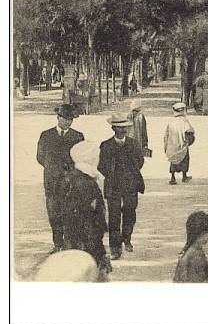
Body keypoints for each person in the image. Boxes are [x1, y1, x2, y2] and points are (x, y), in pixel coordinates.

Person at [37, 103, 85, 253]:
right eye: (65, 118)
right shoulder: (46, 135)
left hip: (70, 181)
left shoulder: (77, 136)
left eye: (70, 119)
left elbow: (81, 157)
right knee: (53, 213)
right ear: (58, 118)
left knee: (69, 212)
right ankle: (57, 243)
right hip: (52, 182)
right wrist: (52, 168)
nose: (68, 122)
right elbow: (40, 157)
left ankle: (68, 243)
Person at [98, 113, 145, 260]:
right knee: (114, 217)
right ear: (113, 129)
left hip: (131, 185)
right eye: (120, 128)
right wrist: (112, 175)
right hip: (113, 186)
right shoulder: (106, 145)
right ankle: (115, 248)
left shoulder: (133, 144)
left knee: (130, 213)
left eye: (125, 127)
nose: (123, 130)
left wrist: (130, 173)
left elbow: (140, 161)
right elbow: (101, 166)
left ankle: (127, 238)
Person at [63, 141, 111, 280]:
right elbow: (90, 222)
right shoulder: (87, 184)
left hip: (73, 242)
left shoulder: (70, 178)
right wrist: (100, 253)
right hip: (86, 246)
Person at [164, 102, 195, 185]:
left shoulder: (171, 121)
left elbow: (166, 134)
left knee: (173, 161)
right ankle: (184, 176)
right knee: (185, 159)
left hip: (172, 145)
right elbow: (189, 131)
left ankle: (172, 177)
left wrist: (166, 145)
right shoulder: (184, 121)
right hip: (182, 144)